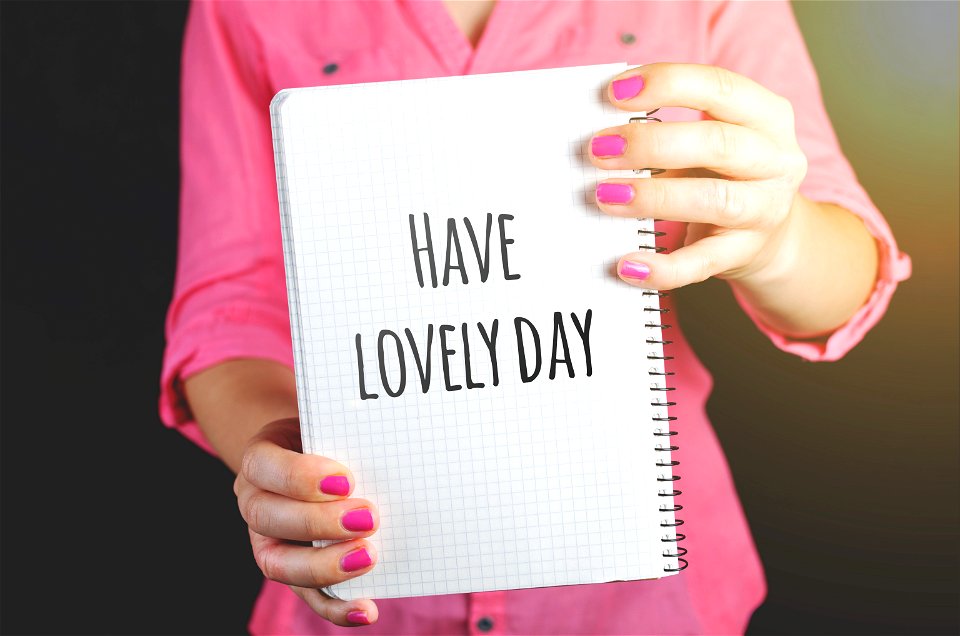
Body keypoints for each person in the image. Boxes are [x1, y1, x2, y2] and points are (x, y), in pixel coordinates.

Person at [160, 1, 911, 633]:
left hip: (653, 600)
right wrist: (288, 474)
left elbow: (843, 273)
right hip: (371, 587)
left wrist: (777, 238)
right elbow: (228, 302)